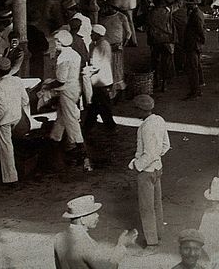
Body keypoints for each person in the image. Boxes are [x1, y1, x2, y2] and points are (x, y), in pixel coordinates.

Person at [129, 94, 170, 247]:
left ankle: (152, 243)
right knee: (157, 204)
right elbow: (166, 145)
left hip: (146, 171)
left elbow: (149, 153)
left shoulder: (145, 127)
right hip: (158, 168)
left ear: (141, 110)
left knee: (146, 209)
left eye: (136, 109)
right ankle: (159, 234)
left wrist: (137, 165)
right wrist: (157, 157)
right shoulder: (160, 120)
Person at [54, 195, 138, 269]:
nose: (97, 215)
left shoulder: (58, 238)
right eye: (93, 213)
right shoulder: (86, 244)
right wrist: (122, 246)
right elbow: (109, 267)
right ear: (82, 219)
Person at [48, 29, 90, 170]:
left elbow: (60, 80)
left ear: (60, 42)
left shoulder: (63, 58)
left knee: (71, 119)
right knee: (62, 116)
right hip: (74, 88)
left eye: (56, 41)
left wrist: (48, 85)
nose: (55, 44)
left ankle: (79, 149)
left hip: (66, 90)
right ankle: (54, 138)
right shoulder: (74, 54)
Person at [0, 56, 29, 185]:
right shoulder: (17, 81)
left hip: (5, 121)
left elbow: (2, 108)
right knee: (12, 146)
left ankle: (10, 178)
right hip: (18, 118)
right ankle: (18, 171)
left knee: (5, 149)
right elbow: (25, 100)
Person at [84, 23, 116, 132]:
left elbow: (95, 65)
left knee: (102, 105)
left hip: (100, 80)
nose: (91, 35)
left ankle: (110, 126)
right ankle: (90, 124)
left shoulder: (98, 47)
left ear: (97, 34)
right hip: (105, 79)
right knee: (98, 104)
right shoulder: (105, 44)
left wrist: (86, 72)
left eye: (92, 33)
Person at [181, 0, 206, 99]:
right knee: (196, 66)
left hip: (193, 44)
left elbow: (200, 30)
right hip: (194, 43)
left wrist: (201, 40)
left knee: (193, 68)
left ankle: (195, 91)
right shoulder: (196, 13)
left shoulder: (195, 15)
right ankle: (198, 88)